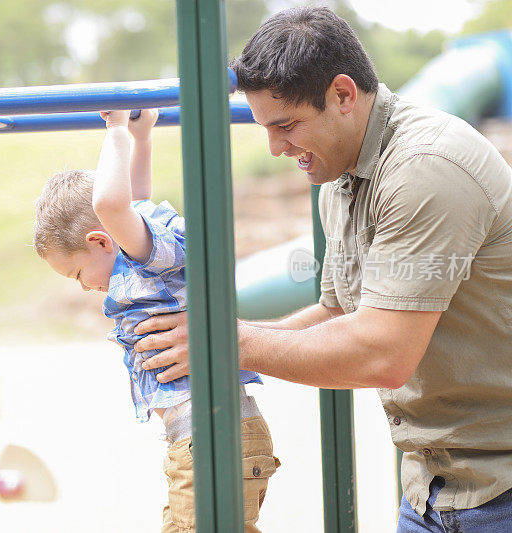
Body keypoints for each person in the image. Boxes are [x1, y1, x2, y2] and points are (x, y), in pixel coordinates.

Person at [133, 6, 512, 532]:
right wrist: (214, 352)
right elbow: (337, 313)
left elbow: (384, 351)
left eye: (286, 125)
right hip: (434, 484)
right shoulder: (340, 177)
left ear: (343, 94)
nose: (276, 147)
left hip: (500, 488)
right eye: (267, 128)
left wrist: (225, 343)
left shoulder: (427, 169)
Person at [33, 108, 279, 532]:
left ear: (99, 240)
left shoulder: (144, 258)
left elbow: (112, 204)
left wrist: (116, 131)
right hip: (209, 437)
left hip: (211, 439)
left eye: (76, 274)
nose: (84, 287)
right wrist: (142, 137)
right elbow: (134, 198)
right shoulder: (145, 244)